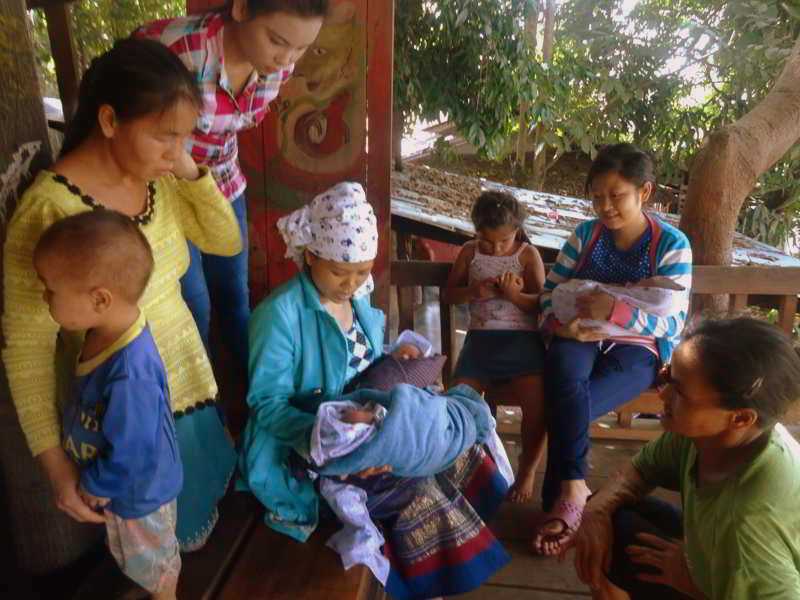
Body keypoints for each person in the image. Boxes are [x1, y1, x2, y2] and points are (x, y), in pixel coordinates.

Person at [3, 38, 241, 551]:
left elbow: (226, 240)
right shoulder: (49, 210)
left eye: (184, 137)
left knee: (196, 535)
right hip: (123, 418)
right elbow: (26, 350)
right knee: (152, 552)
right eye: (165, 136)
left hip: (186, 378)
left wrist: (190, 170)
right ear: (109, 121)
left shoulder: (162, 180)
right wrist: (55, 466)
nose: (176, 151)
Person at [237, 182, 511, 599]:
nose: (351, 284)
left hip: (365, 418)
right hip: (305, 444)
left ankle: (426, 577)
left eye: (362, 271)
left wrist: (393, 358)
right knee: (419, 485)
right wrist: (349, 445)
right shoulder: (278, 316)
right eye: (339, 272)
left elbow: (355, 361)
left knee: (459, 447)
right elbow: (268, 406)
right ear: (310, 255)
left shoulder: (358, 297)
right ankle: (419, 584)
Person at [136, 0, 328, 378]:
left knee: (234, 297)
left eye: (301, 48)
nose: (287, 59)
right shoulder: (175, 49)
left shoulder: (277, 64)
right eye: (277, 40)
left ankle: (258, 393)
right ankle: (202, 405)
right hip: (165, 192)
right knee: (193, 305)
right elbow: (132, 121)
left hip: (223, 181)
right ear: (242, 9)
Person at [565, 317, 800, 600]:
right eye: (667, 377)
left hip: (738, 572)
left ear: (739, 418)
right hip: (715, 559)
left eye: (680, 392)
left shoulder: (747, 527)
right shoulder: (707, 436)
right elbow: (639, 471)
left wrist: (697, 586)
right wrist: (596, 512)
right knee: (616, 519)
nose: (662, 394)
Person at [533, 143, 693, 554]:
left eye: (616, 195)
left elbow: (672, 320)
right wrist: (561, 326)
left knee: (567, 401)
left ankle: (562, 498)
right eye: (597, 196)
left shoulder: (671, 245)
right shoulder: (585, 236)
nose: (605, 206)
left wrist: (617, 312)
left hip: (637, 346)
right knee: (565, 371)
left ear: (645, 192)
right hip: (580, 332)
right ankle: (575, 492)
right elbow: (549, 294)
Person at [34, 211, 182, 599]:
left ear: (100, 299)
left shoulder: (131, 372)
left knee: (156, 563)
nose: (43, 296)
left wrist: (100, 484)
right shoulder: (106, 331)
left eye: (51, 289)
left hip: (136, 494)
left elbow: (133, 448)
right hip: (120, 489)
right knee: (136, 559)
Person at [442, 190, 547, 503]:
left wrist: (515, 296)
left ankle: (526, 472)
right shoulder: (469, 252)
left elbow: (543, 304)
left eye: (504, 241)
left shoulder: (527, 254)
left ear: (516, 230)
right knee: (459, 400)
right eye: (488, 241)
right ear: (476, 231)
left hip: (523, 342)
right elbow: (450, 294)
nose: (496, 248)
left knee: (538, 405)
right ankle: (473, 471)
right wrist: (475, 291)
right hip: (480, 341)